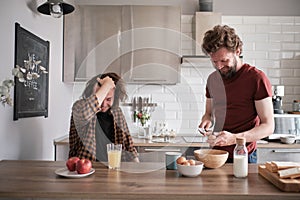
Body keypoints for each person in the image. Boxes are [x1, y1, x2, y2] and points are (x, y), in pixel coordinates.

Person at [198, 25, 274, 163]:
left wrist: (234, 138)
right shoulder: (213, 79)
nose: (219, 66)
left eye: (224, 60)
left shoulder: (256, 78)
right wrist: (206, 120)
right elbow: (208, 113)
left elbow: (268, 126)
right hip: (216, 153)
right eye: (214, 62)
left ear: (237, 51)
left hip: (243, 154)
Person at [69, 72, 139, 162]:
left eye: (109, 99)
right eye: (101, 98)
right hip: (84, 168)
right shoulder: (79, 107)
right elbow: (84, 115)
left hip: (113, 167)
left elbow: (128, 144)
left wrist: (136, 164)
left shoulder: (117, 112)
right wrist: (106, 85)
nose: (103, 104)